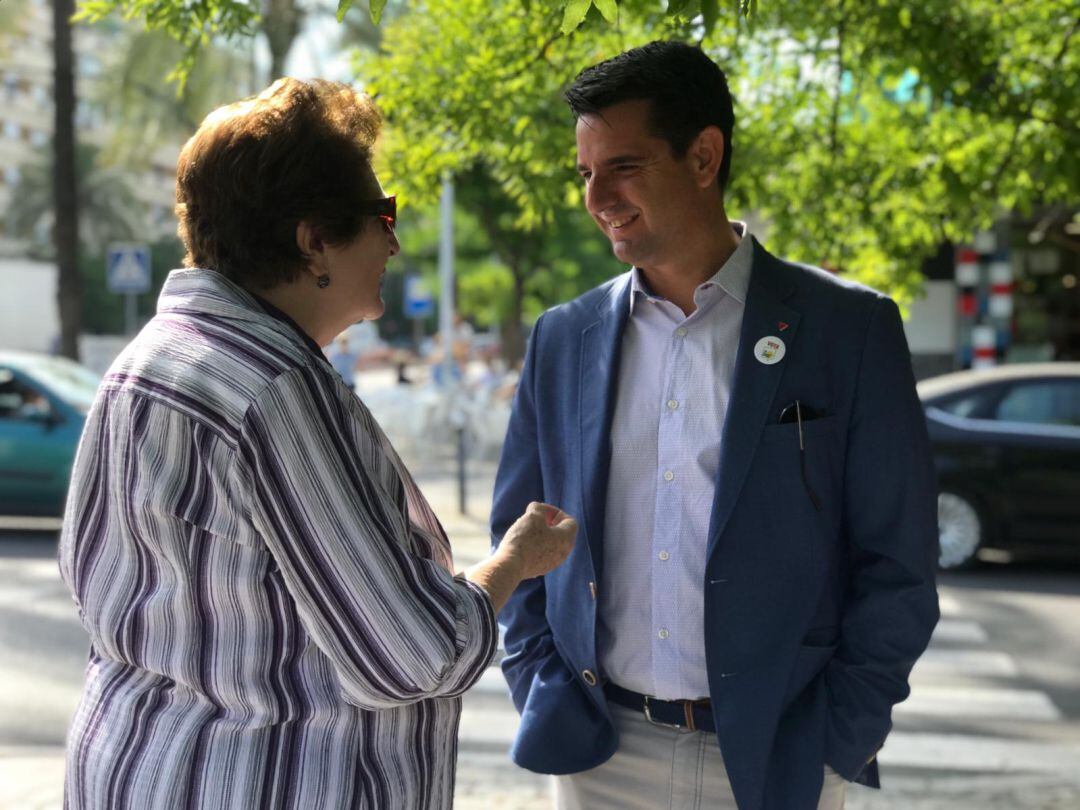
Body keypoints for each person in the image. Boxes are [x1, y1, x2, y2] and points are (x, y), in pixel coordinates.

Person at [58, 78, 577, 810]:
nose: (395, 240)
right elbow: (413, 653)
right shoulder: (271, 388)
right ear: (313, 242)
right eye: (381, 215)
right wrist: (517, 560)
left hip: (135, 766)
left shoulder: (148, 359)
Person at [491, 41, 939, 810]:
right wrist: (542, 681)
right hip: (601, 757)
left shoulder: (848, 330)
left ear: (704, 156)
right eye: (585, 174)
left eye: (623, 166)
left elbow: (898, 562)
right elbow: (521, 537)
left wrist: (841, 736)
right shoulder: (563, 338)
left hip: (779, 758)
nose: (598, 197)